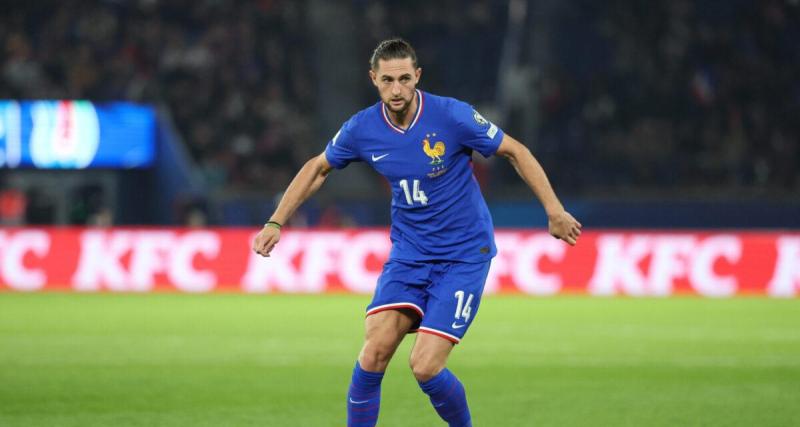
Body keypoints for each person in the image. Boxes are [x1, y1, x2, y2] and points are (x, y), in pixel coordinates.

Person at [252, 38, 581, 427]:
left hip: (463, 255)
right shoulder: (362, 128)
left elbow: (516, 151)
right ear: (373, 79)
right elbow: (317, 168)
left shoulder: (452, 117)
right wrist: (276, 221)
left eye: (405, 79)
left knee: (424, 366)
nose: (396, 89)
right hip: (410, 254)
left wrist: (554, 210)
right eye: (388, 80)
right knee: (374, 351)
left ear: (417, 77)